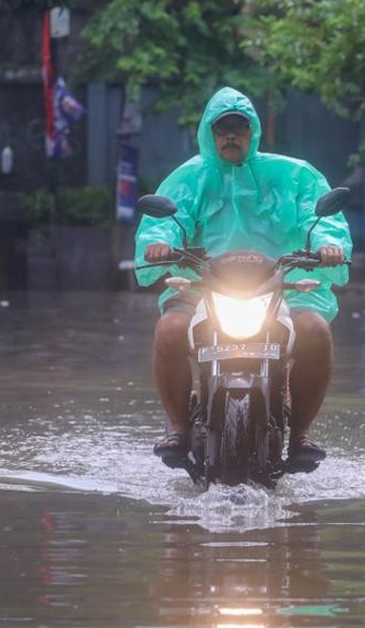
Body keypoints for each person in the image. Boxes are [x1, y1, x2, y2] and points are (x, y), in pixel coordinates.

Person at [135, 86, 351, 469]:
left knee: (316, 332)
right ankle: (178, 428)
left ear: (252, 131)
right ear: (209, 133)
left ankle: (300, 435)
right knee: (168, 330)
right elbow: (164, 222)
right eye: (223, 129)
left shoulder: (293, 174)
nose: (231, 135)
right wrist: (158, 244)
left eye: (239, 127)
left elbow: (322, 219)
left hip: (281, 285)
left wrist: (326, 243)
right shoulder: (190, 178)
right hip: (202, 285)